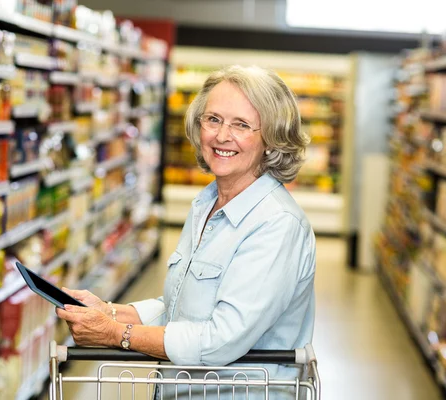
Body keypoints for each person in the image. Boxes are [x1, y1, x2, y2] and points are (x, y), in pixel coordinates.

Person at [57, 65, 316, 399]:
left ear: (271, 138)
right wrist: (108, 311)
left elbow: (218, 340)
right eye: (213, 119)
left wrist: (115, 334)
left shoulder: (277, 225)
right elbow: (183, 306)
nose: (222, 135)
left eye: (241, 125)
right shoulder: (207, 203)